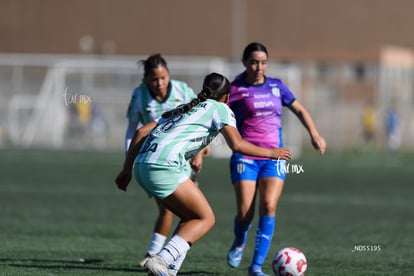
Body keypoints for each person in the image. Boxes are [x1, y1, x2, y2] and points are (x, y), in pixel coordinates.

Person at [115, 72, 292, 276]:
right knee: (206, 218)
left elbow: (140, 132)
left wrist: (127, 169)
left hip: (142, 165)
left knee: (189, 218)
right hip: (164, 166)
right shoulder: (221, 109)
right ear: (227, 96)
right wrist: (272, 153)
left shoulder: (186, 107)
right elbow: (237, 144)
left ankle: (169, 271)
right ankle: (161, 259)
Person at [226, 42, 327, 276]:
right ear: (244, 62)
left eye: (263, 62)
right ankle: (239, 240)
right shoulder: (235, 89)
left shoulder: (277, 86)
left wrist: (314, 134)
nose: (259, 67)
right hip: (245, 156)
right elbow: (217, 114)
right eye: (253, 62)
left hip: (275, 156)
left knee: (269, 205)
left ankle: (256, 267)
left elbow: (300, 109)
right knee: (245, 213)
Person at [124, 53, 210, 269]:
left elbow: (201, 119)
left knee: (185, 214)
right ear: (146, 80)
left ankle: (160, 258)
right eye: (154, 79)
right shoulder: (140, 95)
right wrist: (129, 160)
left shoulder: (183, 90)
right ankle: (161, 258)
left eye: (164, 78)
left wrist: (199, 152)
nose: (160, 83)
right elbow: (133, 130)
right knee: (180, 212)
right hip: (156, 161)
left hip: (183, 159)